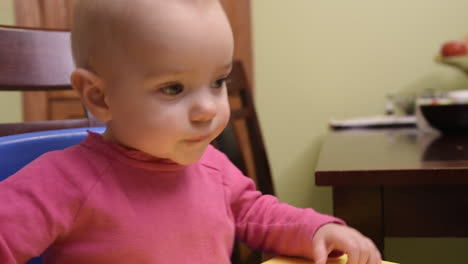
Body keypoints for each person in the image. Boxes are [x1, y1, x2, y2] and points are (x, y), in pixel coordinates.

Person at [0, 0, 381, 263]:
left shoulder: (214, 168)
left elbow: (255, 212)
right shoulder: (63, 182)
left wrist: (314, 230)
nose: (209, 109)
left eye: (218, 82)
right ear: (100, 97)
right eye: (173, 88)